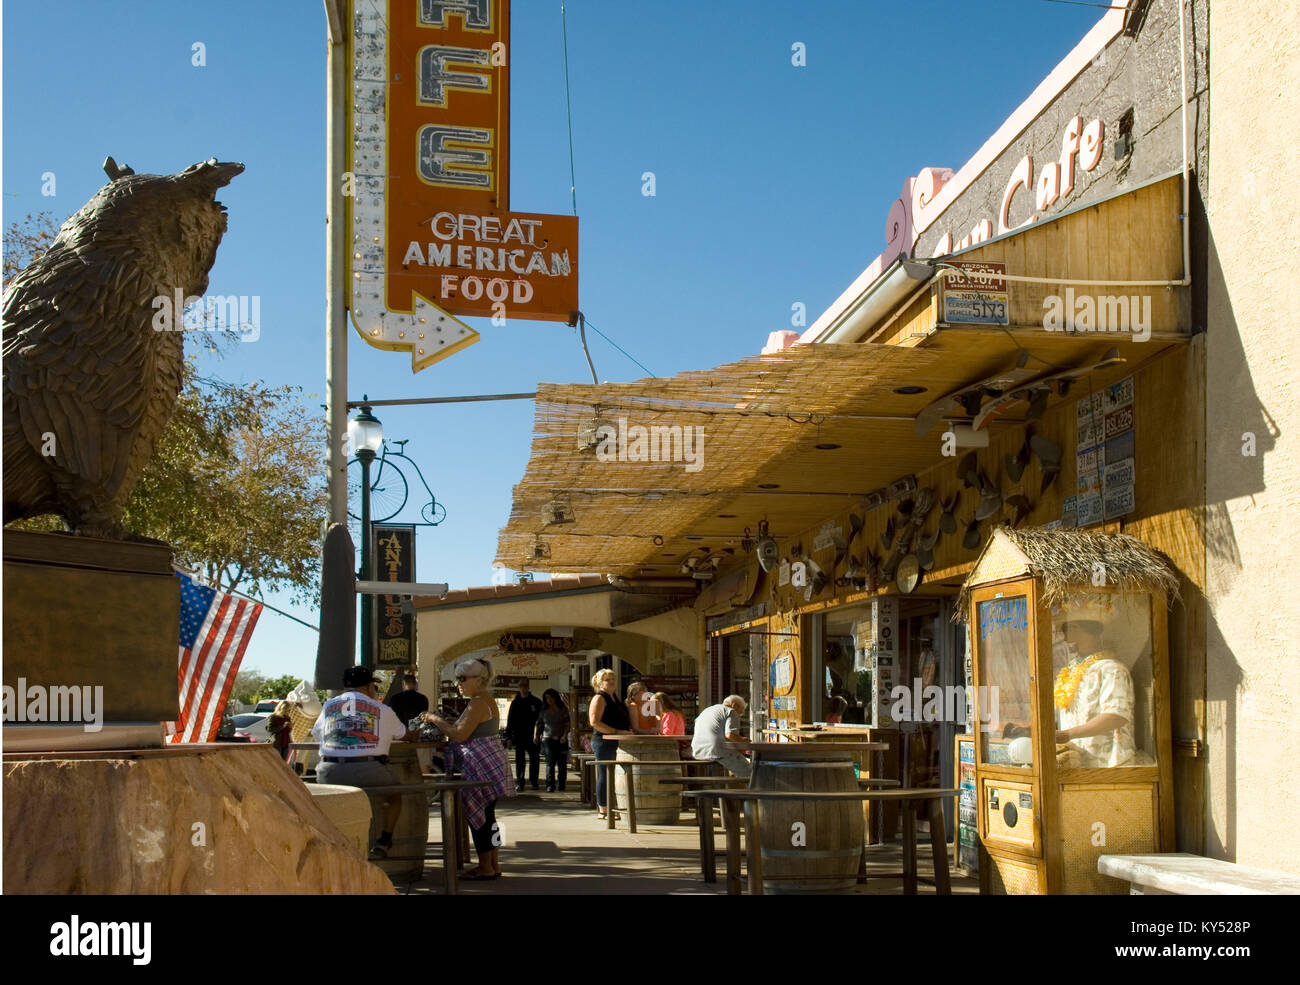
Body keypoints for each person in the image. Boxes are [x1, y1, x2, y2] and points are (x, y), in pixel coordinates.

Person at [421, 657, 515, 879]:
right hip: (489, 761)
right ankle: (493, 864)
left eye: (463, 679)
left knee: (479, 817)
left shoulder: (478, 702)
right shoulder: (485, 699)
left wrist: (435, 719)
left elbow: (459, 733)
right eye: (458, 679)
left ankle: (485, 866)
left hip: (479, 764)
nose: (459, 684)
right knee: (489, 816)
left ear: (478, 679)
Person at [312, 666, 416, 859]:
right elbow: (405, 735)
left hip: (329, 772)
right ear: (369, 686)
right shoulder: (382, 709)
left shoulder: (328, 706)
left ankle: (332, 841)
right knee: (394, 794)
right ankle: (384, 840)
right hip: (370, 771)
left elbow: (317, 733)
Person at [1053, 619, 1136, 767]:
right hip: (1076, 764)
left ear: (1090, 633)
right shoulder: (1070, 671)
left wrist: (1068, 734)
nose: (1066, 637)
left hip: (1109, 766)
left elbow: (1116, 716)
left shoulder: (1112, 669)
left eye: (1071, 628)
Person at [588, 669, 633, 819]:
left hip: (618, 741)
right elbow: (594, 722)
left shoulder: (614, 698)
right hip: (603, 741)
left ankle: (614, 806)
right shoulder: (599, 698)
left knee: (616, 775)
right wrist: (615, 731)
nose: (612, 682)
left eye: (613, 678)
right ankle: (604, 808)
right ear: (599, 683)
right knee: (605, 774)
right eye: (607, 680)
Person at [691, 695, 751, 778]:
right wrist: (743, 741)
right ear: (734, 705)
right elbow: (730, 735)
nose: (739, 716)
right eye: (740, 712)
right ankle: (752, 790)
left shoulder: (707, 710)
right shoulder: (731, 711)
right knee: (749, 773)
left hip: (698, 750)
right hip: (716, 750)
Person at [507, 680, 544, 790]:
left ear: (528, 687)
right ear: (519, 688)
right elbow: (510, 721)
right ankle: (520, 782)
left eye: (525, 686)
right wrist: (509, 737)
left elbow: (541, 720)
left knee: (534, 759)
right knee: (520, 760)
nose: (523, 688)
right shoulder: (515, 702)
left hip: (533, 735)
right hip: (519, 736)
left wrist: (539, 734)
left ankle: (534, 781)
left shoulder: (536, 702)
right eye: (521, 686)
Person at [534, 688, 571, 792]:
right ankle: (550, 785)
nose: (549, 700)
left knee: (562, 764)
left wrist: (564, 735)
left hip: (561, 740)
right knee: (550, 763)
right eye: (546, 698)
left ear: (555, 698)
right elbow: (539, 723)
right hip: (548, 740)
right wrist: (536, 735)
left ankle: (562, 784)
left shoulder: (562, 709)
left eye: (550, 697)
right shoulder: (544, 711)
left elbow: (567, 724)